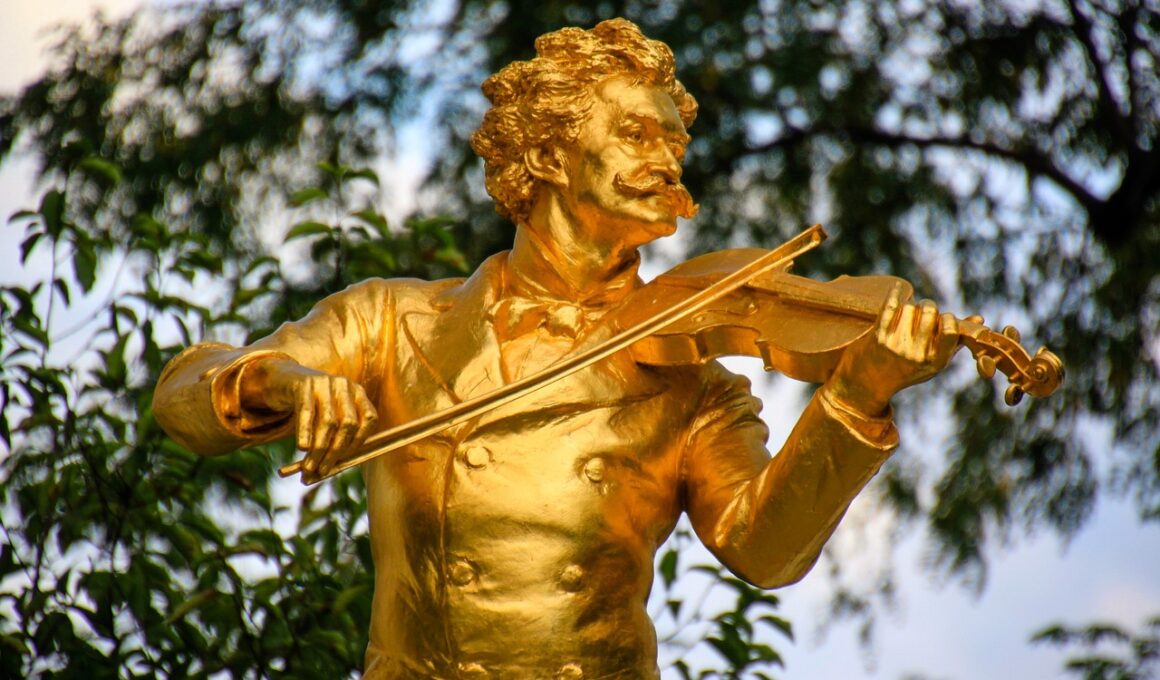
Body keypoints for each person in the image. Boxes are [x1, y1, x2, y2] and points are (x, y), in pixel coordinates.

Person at [153, 18, 958, 679]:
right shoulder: (392, 322)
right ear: (546, 154)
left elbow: (765, 550)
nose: (666, 161)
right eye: (635, 134)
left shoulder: (692, 383)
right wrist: (282, 383)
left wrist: (856, 396)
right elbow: (184, 396)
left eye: (673, 143)